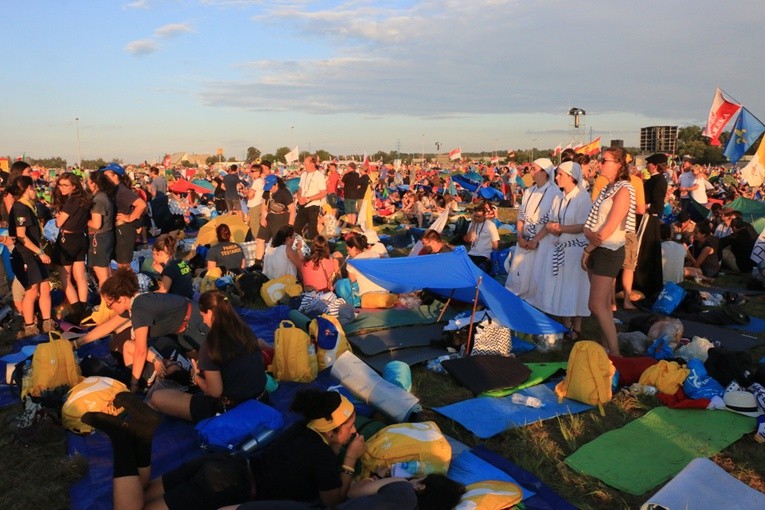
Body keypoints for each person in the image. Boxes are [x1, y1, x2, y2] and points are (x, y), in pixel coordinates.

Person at [84, 388, 365, 509]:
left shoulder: (300, 428)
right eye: (350, 426)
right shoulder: (322, 456)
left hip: (221, 463)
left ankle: (143, 437)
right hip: (225, 485)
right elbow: (334, 502)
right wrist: (350, 459)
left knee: (141, 494)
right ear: (332, 428)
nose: (353, 431)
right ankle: (122, 442)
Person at [76, 268, 208, 392]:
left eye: (109, 305)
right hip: (185, 325)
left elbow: (140, 350)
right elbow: (107, 327)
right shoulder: (137, 302)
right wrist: (77, 343)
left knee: (210, 366)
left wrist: (134, 384)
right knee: (198, 365)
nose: (110, 309)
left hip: (195, 323)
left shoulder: (139, 309)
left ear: (121, 299)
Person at [149, 290, 267, 422]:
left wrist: (196, 376)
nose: (204, 322)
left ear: (210, 313)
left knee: (157, 397)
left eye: (203, 316)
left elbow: (215, 392)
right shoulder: (245, 331)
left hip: (230, 408)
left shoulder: (211, 344)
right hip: (261, 397)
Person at [581, 147, 636, 356]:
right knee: (603, 304)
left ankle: (615, 353)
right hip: (599, 247)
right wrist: (588, 232)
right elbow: (594, 220)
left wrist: (588, 249)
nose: (600, 163)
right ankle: (606, 347)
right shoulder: (607, 188)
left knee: (595, 304)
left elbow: (611, 226)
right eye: (600, 160)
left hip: (608, 250)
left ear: (619, 165)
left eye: (604, 160)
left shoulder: (624, 190)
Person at [534, 162, 592, 339]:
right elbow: (552, 219)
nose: (556, 177)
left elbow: (584, 225)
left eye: (560, 174)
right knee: (561, 288)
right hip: (558, 247)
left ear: (571, 177)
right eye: (557, 174)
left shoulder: (583, 198)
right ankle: (565, 324)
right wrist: (551, 227)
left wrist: (562, 229)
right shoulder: (558, 197)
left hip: (574, 250)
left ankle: (578, 327)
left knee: (575, 288)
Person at [506, 158, 561, 300]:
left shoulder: (555, 193)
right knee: (518, 272)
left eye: (534, 169)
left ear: (545, 172)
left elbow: (551, 221)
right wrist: (519, 236)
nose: (530, 172)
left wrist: (535, 240)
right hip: (524, 238)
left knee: (536, 275)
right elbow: (520, 217)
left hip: (543, 241)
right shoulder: (529, 191)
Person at [7, 176, 56, 337]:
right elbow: (21, 236)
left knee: (44, 287)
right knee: (32, 289)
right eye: (34, 187)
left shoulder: (30, 206)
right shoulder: (20, 208)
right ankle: (29, 325)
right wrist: (40, 252)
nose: (36, 191)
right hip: (27, 254)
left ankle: (47, 321)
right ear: (28, 188)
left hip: (35, 251)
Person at [52, 172, 92, 322]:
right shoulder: (84, 199)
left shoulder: (71, 201)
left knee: (65, 277)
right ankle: (83, 307)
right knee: (80, 277)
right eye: (60, 184)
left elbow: (59, 223)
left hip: (68, 239)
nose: (62, 188)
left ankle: (76, 311)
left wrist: (58, 217)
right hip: (81, 238)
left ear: (74, 186)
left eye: (65, 185)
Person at [634, 153, 669, 299]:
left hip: (648, 220)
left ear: (654, 165)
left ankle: (644, 284)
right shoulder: (653, 179)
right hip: (644, 218)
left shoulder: (659, 181)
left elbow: (657, 206)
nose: (647, 166)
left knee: (644, 251)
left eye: (649, 164)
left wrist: (642, 206)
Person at [101, 163, 147, 269]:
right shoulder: (115, 189)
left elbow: (141, 204)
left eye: (106, 175)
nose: (103, 178)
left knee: (123, 265)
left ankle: (127, 284)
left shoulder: (122, 190)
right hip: (119, 229)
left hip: (124, 230)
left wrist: (129, 218)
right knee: (119, 263)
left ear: (115, 176)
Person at [255, 175, 295, 267]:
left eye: (271, 187)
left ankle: (278, 263)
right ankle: (258, 263)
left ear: (276, 184)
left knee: (277, 243)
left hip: (282, 217)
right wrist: (263, 218)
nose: (269, 189)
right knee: (260, 239)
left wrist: (290, 226)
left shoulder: (285, 192)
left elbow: (292, 210)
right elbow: (264, 206)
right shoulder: (267, 192)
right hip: (270, 216)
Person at [87, 170, 117, 288]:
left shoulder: (98, 200)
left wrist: (83, 220)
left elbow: (96, 224)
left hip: (99, 238)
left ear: (95, 183)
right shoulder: (105, 196)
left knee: (102, 275)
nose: (87, 183)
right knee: (106, 271)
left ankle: (106, 302)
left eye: (89, 181)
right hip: (106, 236)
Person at [294, 155, 327, 240]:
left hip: (313, 205)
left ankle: (317, 248)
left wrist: (308, 199)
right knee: (296, 228)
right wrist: (299, 197)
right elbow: (300, 188)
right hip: (302, 205)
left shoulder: (319, 175)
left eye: (306, 164)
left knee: (312, 230)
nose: (304, 166)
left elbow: (323, 193)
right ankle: (299, 247)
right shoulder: (304, 174)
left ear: (312, 164)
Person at [152, 233, 193, 299]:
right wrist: (162, 271)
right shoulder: (180, 262)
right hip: (188, 298)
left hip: (178, 302)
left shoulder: (169, 267)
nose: (153, 257)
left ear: (161, 253)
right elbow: (176, 278)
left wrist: (146, 295)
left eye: (153, 254)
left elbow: (163, 291)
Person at [464, 201, 500, 273]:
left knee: (474, 267)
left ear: (484, 216)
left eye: (479, 217)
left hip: (484, 254)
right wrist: (473, 225)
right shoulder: (472, 224)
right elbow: (468, 240)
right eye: (475, 216)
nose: (477, 218)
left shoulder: (490, 225)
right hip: (472, 252)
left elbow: (495, 244)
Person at [245, 163, 265, 240]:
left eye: (252, 171)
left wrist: (247, 193)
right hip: (259, 204)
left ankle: (257, 241)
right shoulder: (261, 181)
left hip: (254, 205)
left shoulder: (257, 182)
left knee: (254, 225)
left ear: (258, 172)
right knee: (257, 223)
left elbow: (250, 195)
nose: (251, 173)